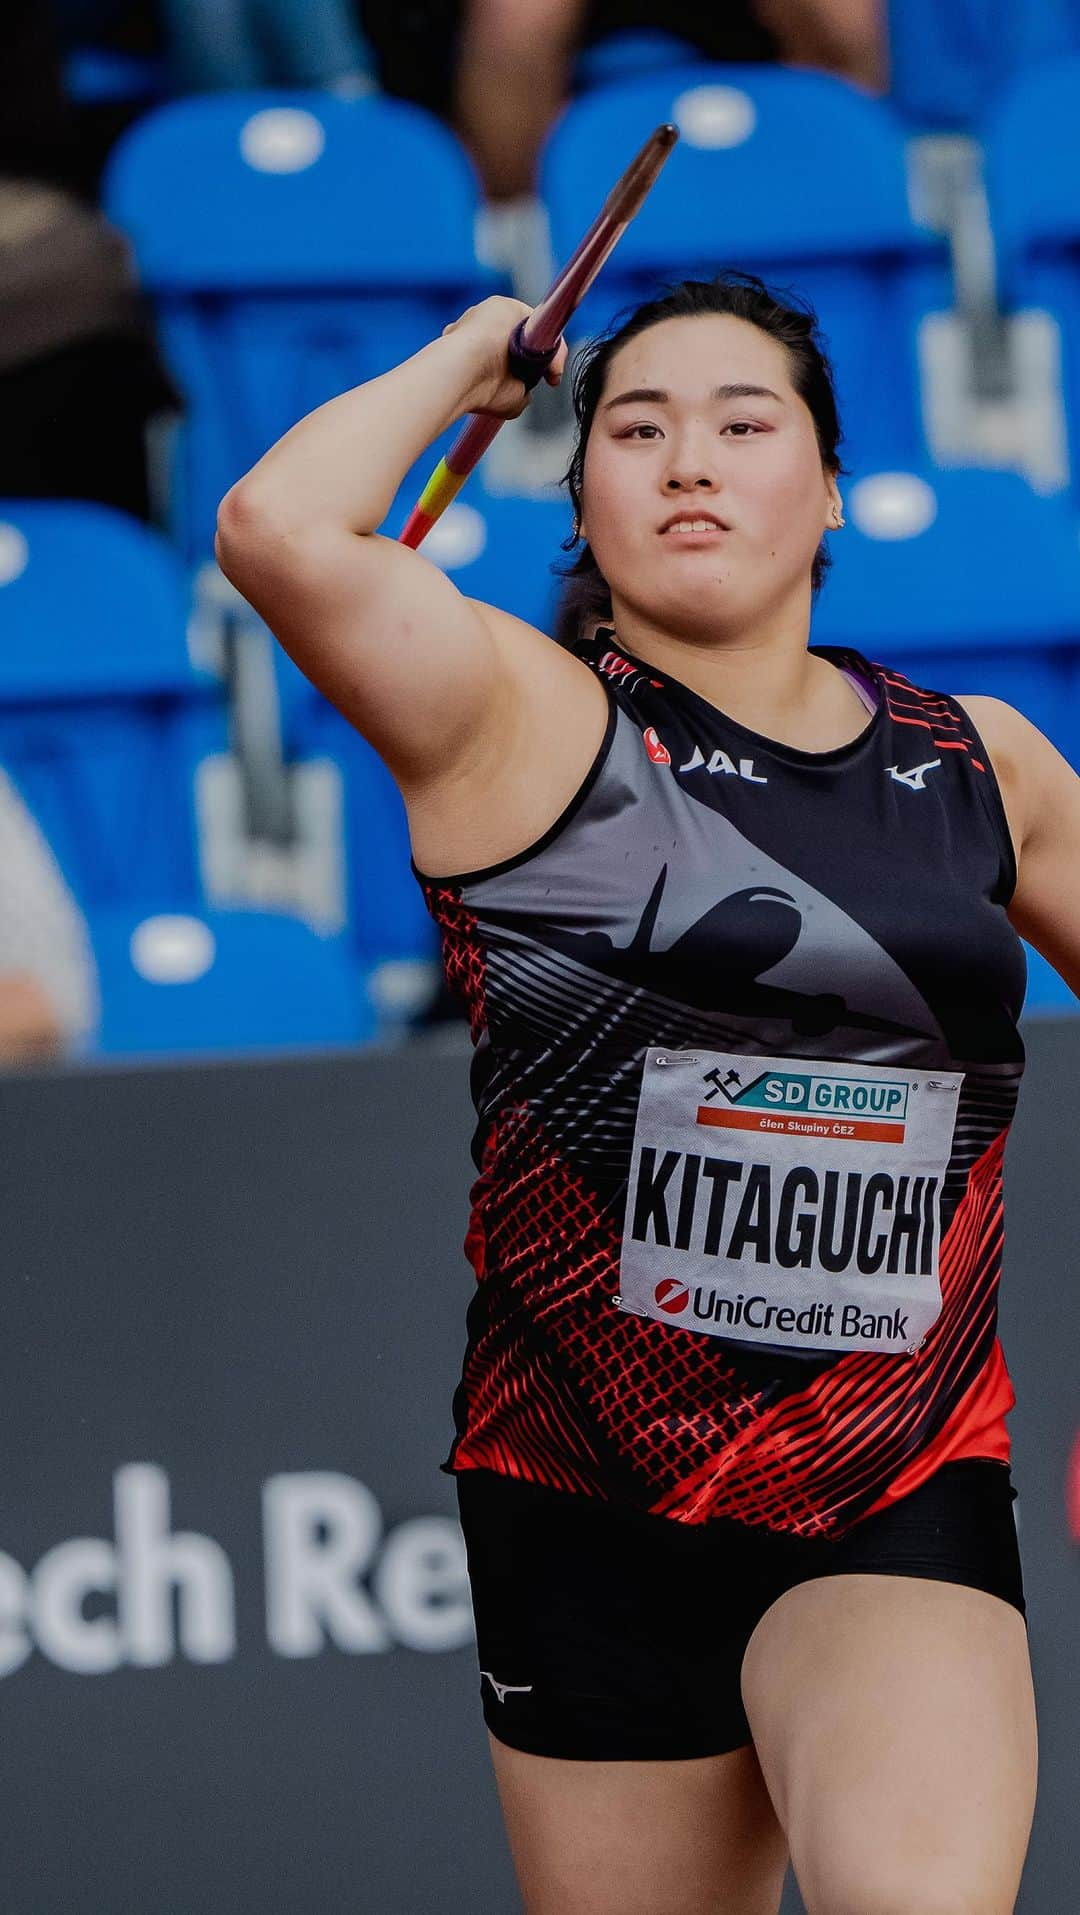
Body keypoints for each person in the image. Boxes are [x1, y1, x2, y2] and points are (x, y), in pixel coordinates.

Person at [213, 269, 1077, 1910]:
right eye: (638, 427)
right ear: (582, 488)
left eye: (745, 425)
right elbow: (278, 528)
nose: (690, 460)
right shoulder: (513, 722)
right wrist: (470, 354)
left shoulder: (981, 763)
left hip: (891, 1478)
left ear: (826, 488)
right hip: (580, 1498)